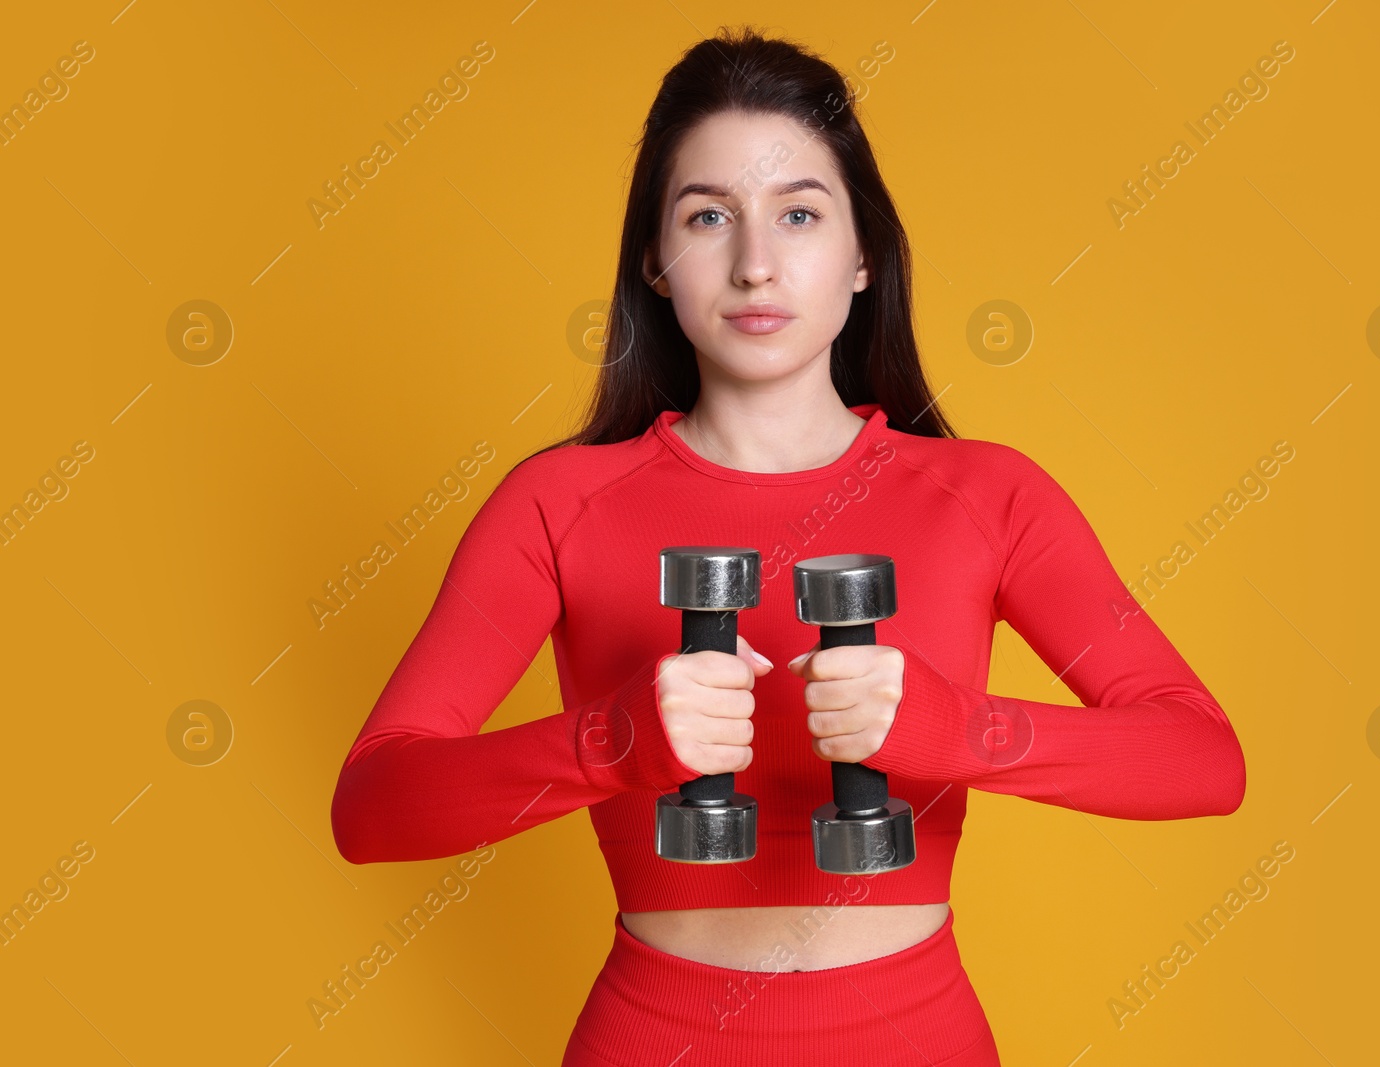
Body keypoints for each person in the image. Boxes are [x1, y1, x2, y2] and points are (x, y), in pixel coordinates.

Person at [329, 26, 1246, 1066]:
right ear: (655, 265)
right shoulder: (558, 503)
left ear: (862, 257)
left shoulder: (987, 495)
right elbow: (373, 804)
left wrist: (961, 728)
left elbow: (1203, 759)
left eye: (798, 214)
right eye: (708, 216)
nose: (755, 263)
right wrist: (608, 743)